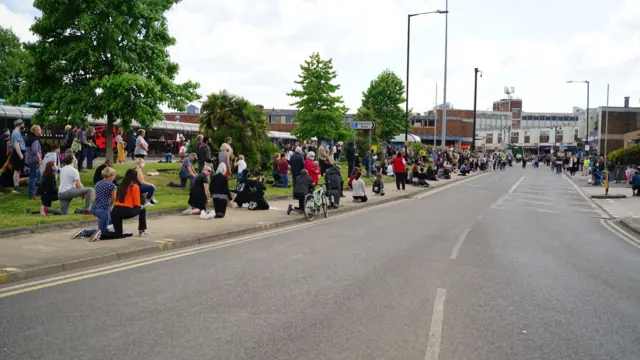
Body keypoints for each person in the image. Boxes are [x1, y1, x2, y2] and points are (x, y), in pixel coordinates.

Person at [110, 169, 150, 237]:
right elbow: (136, 204)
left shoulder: (120, 185)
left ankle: (102, 234)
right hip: (126, 211)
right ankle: (142, 231)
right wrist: (140, 206)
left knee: (118, 234)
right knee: (143, 209)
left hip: (115, 211)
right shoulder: (134, 186)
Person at [90, 166, 117, 241]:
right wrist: (110, 205)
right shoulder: (112, 186)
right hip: (103, 209)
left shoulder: (98, 183)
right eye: (114, 176)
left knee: (110, 220)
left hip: (95, 208)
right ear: (110, 176)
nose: (114, 178)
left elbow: (95, 196)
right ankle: (85, 232)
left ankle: (110, 228)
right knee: (103, 231)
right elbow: (113, 198)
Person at [24, 125, 43, 200]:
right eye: (40, 130)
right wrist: (39, 160)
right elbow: (35, 151)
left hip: (29, 159)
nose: (41, 131)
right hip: (33, 160)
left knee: (38, 176)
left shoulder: (29, 137)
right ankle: (32, 195)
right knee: (33, 177)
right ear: (36, 131)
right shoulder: (35, 139)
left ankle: (36, 191)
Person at [10, 119, 26, 194]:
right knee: (17, 170)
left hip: (18, 153)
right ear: (20, 124)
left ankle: (17, 186)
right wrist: (21, 155)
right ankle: (16, 187)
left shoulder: (16, 132)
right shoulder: (16, 133)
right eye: (22, 124)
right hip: (17, 154)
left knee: (18, 170)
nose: (23, 125)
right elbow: (16, 146)